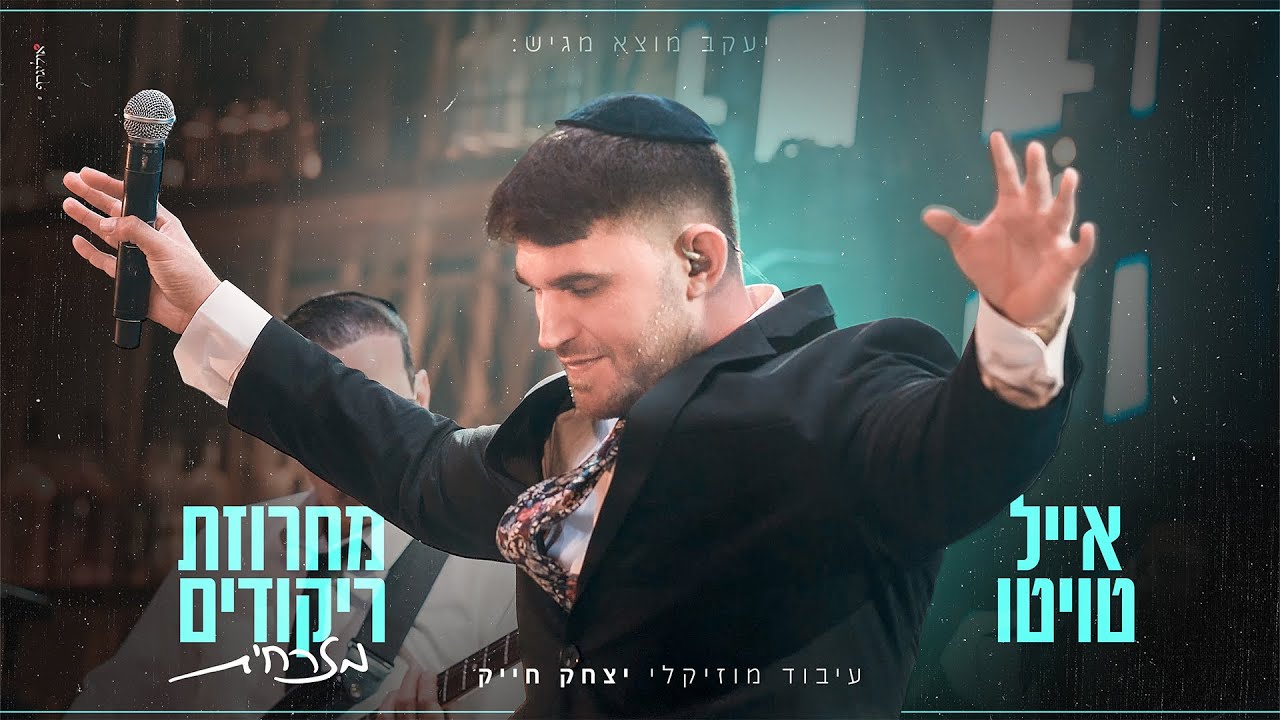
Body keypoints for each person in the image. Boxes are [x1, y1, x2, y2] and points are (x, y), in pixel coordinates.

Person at [63, 92, 1095, 718]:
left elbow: (953, 455)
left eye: (583, 287)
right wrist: (203, 302)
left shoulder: (841, 388)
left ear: (698, 261)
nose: (548, 330)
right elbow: (410, 460)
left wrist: (1019, 326)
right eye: (536, 290)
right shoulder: (563, 427)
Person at [66, 292, 523, 719]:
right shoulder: (226, 547)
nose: (354, 446)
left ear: (420, 397)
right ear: (287, 423)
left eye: (378, 413)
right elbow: (116, 702)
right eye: (326, 421)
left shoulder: (490, 572)